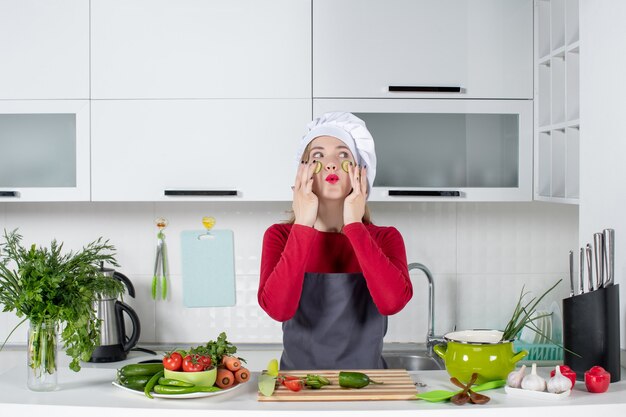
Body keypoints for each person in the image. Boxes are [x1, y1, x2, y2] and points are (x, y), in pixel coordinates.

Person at [258, 112, 413, 370]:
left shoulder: (385, 238)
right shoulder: (280, 236)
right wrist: (303, 225)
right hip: (299, 389)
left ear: (360, 173)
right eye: (318, 155)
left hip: (369, 388)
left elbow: (392, 303)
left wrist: (354, 225)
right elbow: (278, 310)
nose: (330, 163)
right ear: (302, 174)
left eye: (343, 155)